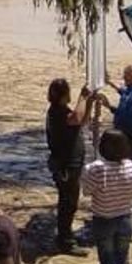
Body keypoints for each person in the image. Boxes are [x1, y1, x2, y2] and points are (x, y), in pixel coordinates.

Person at [81, 131, 132, 264]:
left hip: (104, 219)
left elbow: (87, 191)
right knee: (123, 260)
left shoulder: (96, 168)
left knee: (108, 262)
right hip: (124, 217)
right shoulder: (130, 166)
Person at [45, 79, 94, 251]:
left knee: (70, 201)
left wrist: (89, 102)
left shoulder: (61, 110)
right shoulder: (57, 112)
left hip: (70, 162)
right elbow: (76, 118)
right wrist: (83, 96)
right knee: (68, 203)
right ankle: (65, 240)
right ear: (64, 94)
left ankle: (65, 235)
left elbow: (82, 121)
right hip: (66, 164)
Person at [97, 64, 132, 190]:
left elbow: (129, 120)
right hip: (125, 139)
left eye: (126, 74)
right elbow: (124, 92)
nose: (123, 77)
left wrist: (110, 107)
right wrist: (110, 83)